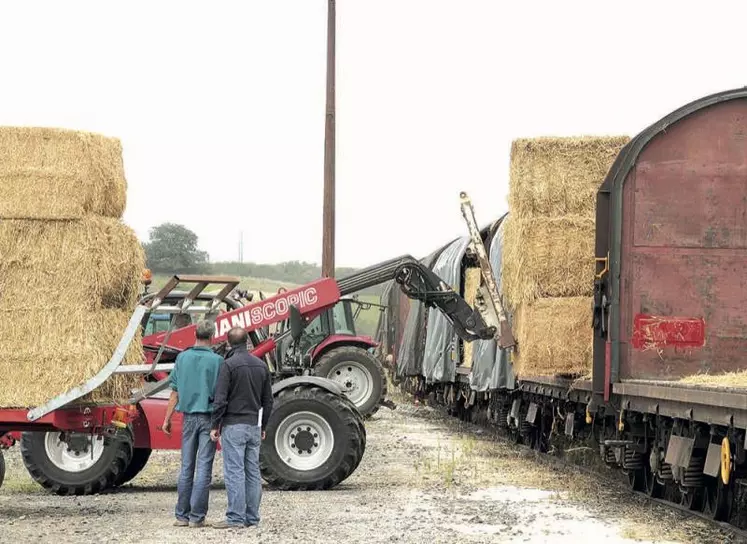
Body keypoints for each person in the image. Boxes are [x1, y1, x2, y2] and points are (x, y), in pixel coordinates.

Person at [210, 327, 273, 530]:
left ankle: (235, 518)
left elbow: (220, 400)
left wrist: (215, 425)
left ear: (229, 343)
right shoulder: (261, 365)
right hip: (254, 425)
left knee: (235, 472)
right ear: (247, 341)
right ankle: (252, 517)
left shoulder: (228, 365)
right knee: (253, 472)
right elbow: (268, 401)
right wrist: (263, 425)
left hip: (233, 425)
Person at [162, 319, 223, 528]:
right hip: (208, 418)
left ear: (195, 334)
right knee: (204, 467)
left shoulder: (182, 358)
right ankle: (197, 517)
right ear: (212, 336)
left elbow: (174, 393)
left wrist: (167, 419)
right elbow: (221, 394)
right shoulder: (218, 361)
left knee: (186, 467)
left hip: (187, 418)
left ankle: (181, 516)